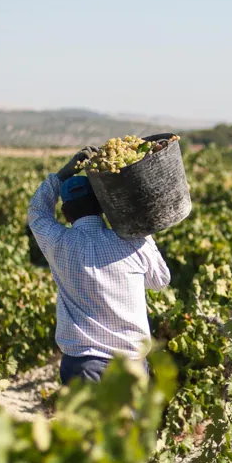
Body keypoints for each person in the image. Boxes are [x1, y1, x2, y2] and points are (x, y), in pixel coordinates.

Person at [27, 148, 171, 386]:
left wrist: (65, 172)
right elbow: (161, 281)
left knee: (89, 425)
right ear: (102, 206)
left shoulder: (58, 243)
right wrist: (142, 229)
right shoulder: (134, 242)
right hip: (131, 367)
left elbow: (37, 212)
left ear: (64, 213)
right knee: (130, 425)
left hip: (82, 367)